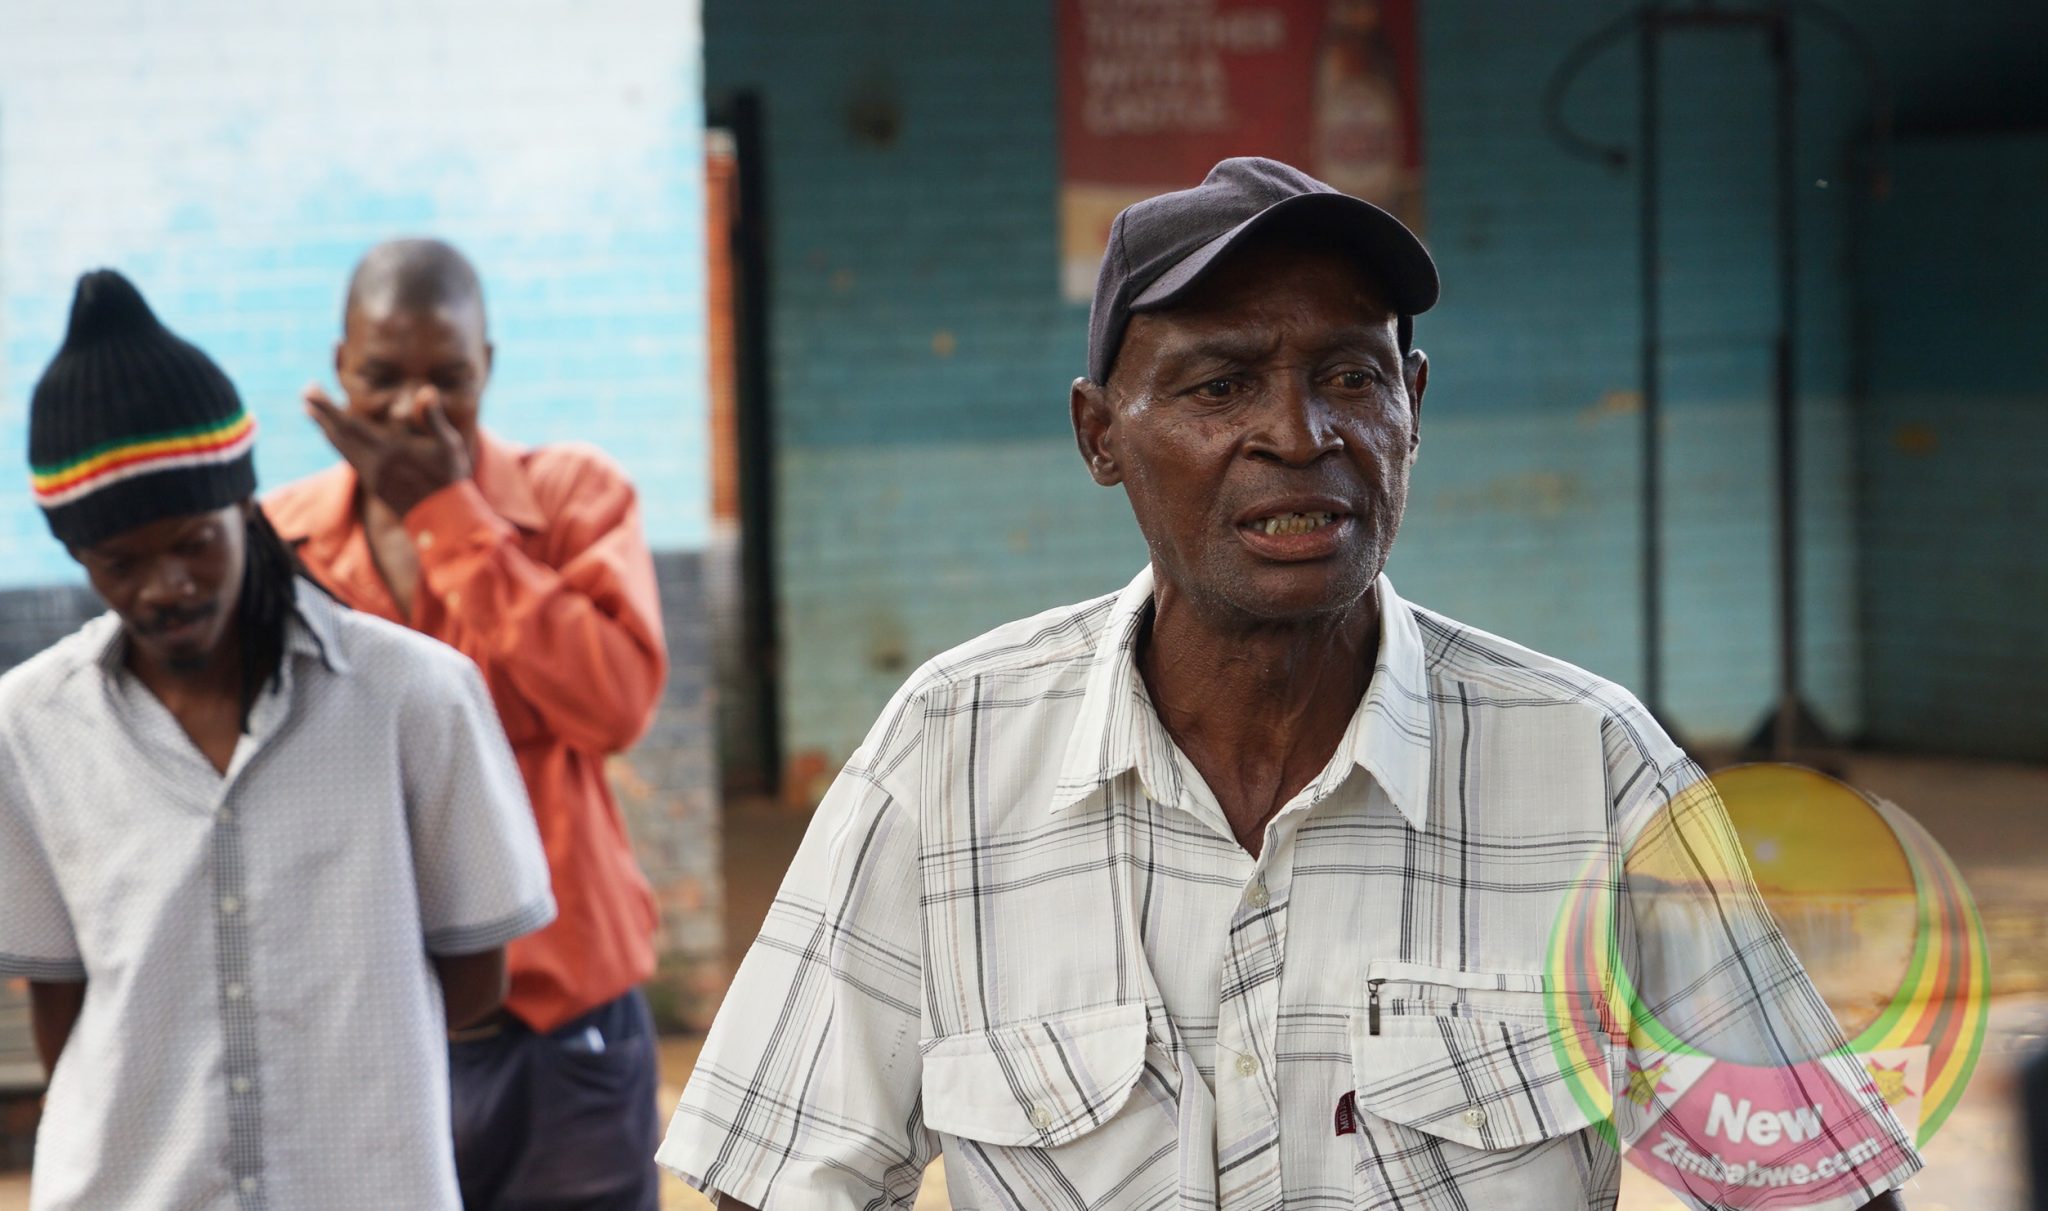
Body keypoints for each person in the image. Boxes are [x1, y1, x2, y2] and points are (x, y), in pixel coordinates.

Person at [658, 159, 1921, 1209]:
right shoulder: (947, 754)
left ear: (1410, 407)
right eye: (1218, 384)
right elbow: (780, 1178)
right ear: (1100, 434)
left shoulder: (1593, 768)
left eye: (1349, 375)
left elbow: (1821, 1180)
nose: (1299, 435)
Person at [0, 270, 555, 1210]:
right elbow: (62, 1005)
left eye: (194, 542)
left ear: (246, 508)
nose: (165, 586)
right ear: (78, 557)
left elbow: (474, 983)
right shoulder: (29, 727)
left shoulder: (411, 698)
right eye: (118, 563)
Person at [264, 238, 669, 1209]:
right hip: (363, 1041)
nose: (415, 407)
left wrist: (450, 517)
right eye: (382, 376)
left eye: (448, 377)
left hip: (561, 1032)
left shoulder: (575, 498)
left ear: (488, 363)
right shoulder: (279, 544)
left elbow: (613, 702)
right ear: (337, 366)